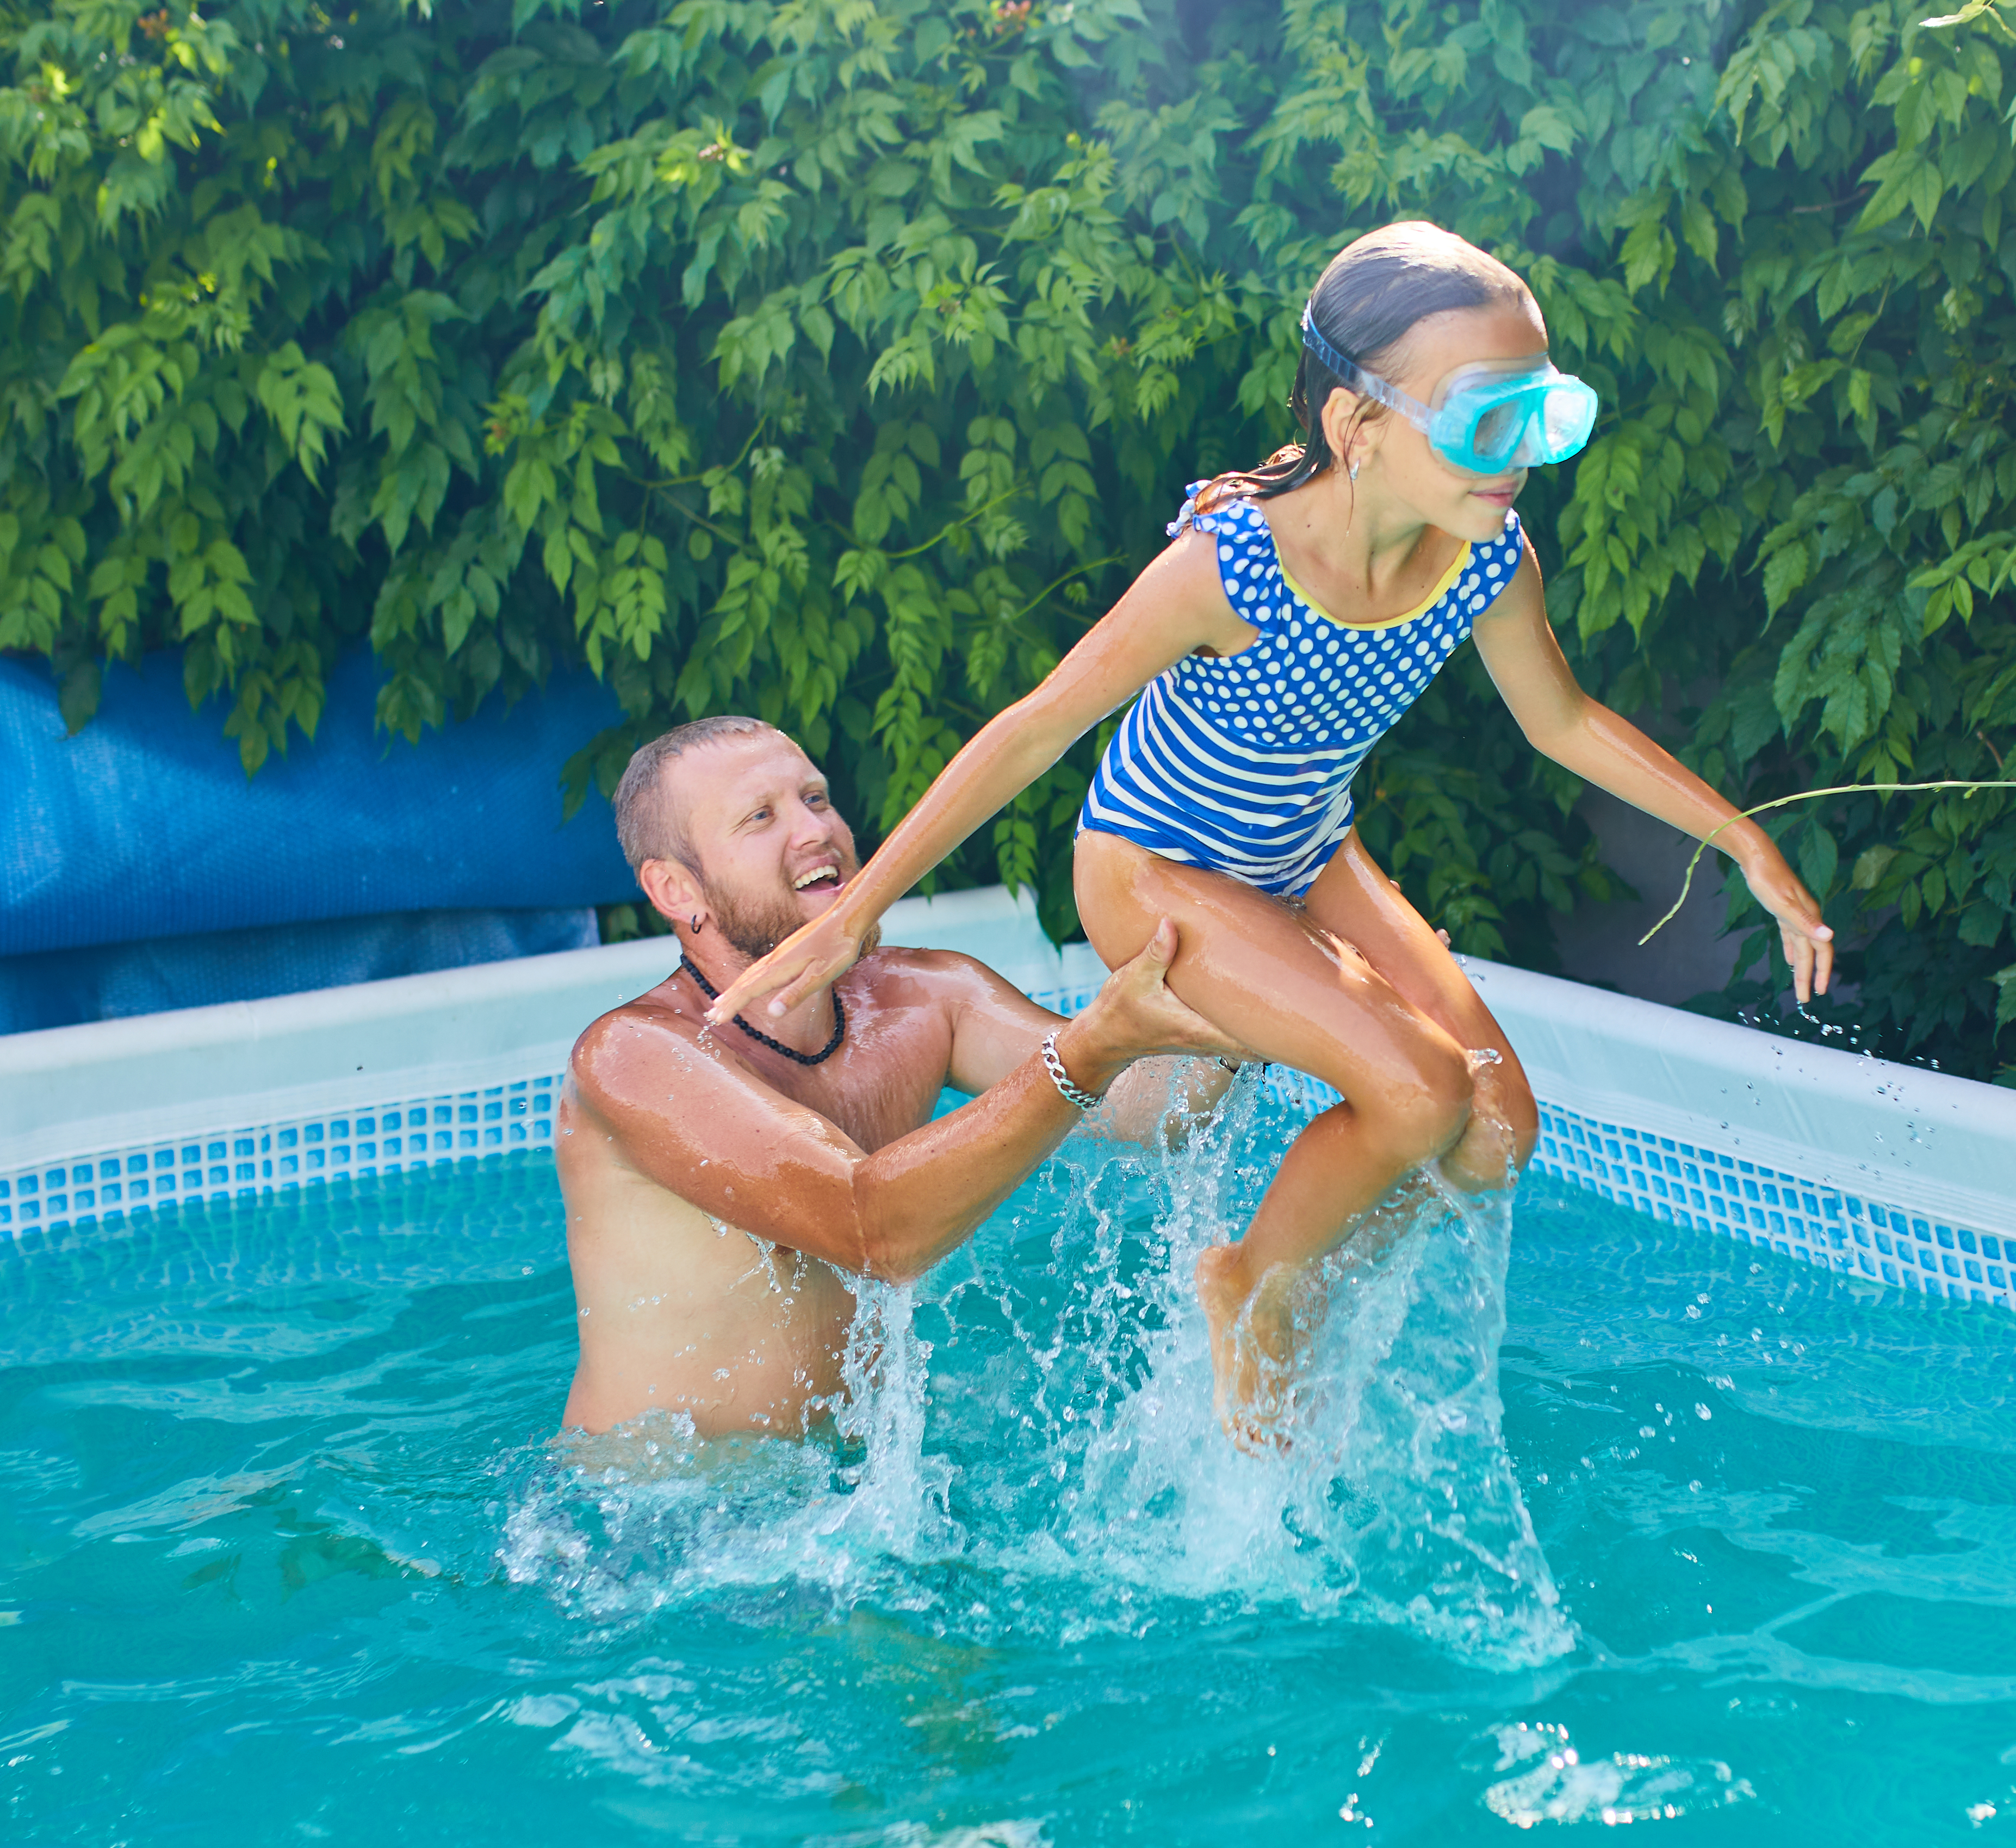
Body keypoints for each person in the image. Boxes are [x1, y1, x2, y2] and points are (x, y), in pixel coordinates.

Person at [705, 220, 1838, 1439]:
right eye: (1482, 420)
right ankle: (1252, 1286)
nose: (1518, 458)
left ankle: (1307, 1260)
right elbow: (1036, 730)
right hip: (1156, 867)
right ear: (1358, 427)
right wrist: (862, 909)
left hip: (1307, 853)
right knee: (1416, 1096)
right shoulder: (1229, 568)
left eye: (1540, 416)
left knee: (1498, 1130)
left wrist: (1742, 839)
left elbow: (1561, 721)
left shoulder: (1485, 550)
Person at [556, 715, 1238, 1439]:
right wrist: (1090, 1048)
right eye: (761, 816)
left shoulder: (921, 999)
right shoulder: (633, 1059)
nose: (814, 830)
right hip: (660, 1525)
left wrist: (1243, 962)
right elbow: (872, 1230)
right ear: (675, 888)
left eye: (815, 799)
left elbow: (1156, 1110)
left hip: (848, 1497)